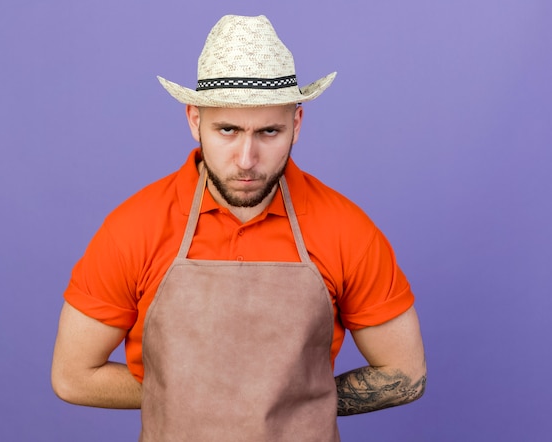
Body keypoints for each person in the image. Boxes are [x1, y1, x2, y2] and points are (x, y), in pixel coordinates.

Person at [51, 14, 426, 441]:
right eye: (227, 130)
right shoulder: (134, 228)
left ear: (297, 125)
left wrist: (294, 401)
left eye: (269, 131)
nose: (246, 158)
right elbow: (73, 376)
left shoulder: (347, 230)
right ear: (194, 120)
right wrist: (201, 400)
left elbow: (405, 374)